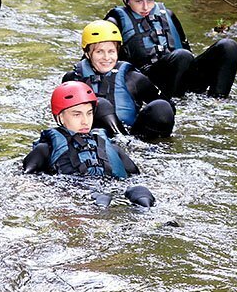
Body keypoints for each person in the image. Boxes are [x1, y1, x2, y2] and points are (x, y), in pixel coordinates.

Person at [105, 0, 237, 98]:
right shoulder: (115, 22)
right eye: (138, 1)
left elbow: (188, 53)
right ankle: (174, 105)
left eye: (150, 0)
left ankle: (218, 101)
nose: (146, 7)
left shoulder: (167, 14)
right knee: (182, 56)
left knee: (228, 46)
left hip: (182, 71)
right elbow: (101, 61)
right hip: (148, 80)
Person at [23, 81, 155, 207]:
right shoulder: (46, 149)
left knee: (141, 193)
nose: (85, 121)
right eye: (77, 114)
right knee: (101, 199)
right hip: (79, 192)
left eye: (89, 113)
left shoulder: (110, 147)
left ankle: (152, 219)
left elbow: (137, 178)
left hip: (112, 187)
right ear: (60, 117)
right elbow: (24, 179)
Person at [62, 20, 175, 140]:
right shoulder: (73, 79)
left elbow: (169, 108)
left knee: (162, 108)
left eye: (111, 51)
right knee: (101, 105)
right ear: (87, 53)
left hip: (130, 138)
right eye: (99, 52)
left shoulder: (134, 79)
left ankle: (127, 145)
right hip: (91, 136)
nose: (106, 58)